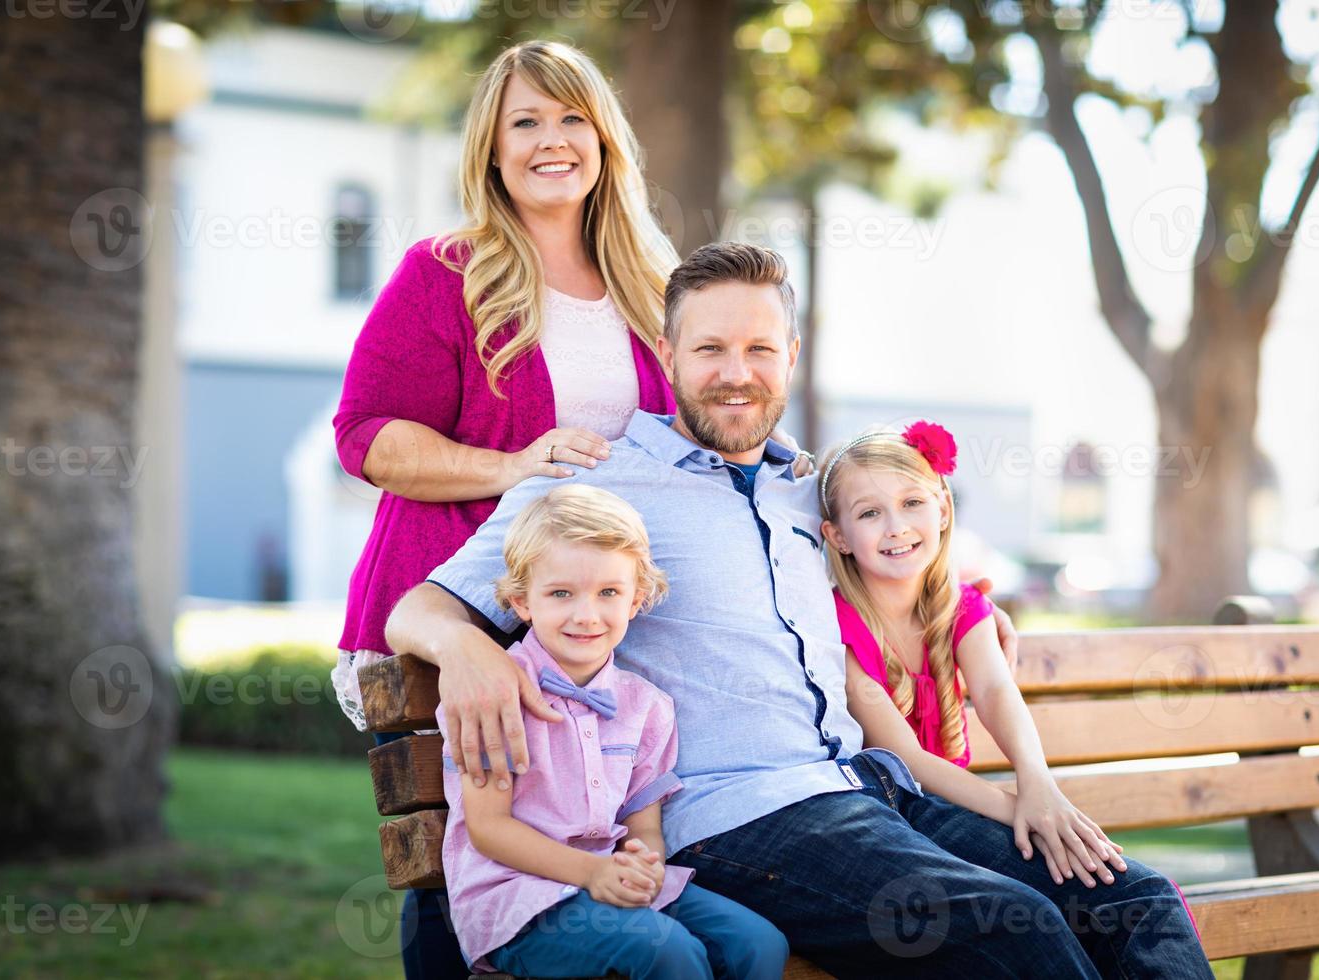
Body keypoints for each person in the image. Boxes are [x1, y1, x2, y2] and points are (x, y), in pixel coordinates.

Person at [386, 241, 1213, 978]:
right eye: (709, 349)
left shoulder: (806, 489)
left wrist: (966, 611)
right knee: (1013, 929)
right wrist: (466, 651)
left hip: (873, 786)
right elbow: (416, 611)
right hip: (736, 820)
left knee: (1131, 898)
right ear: (667, 352)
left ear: (791, 356)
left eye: (757, 349)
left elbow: (903, 548)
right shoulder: (592, 483)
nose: (734, 372)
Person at [331, 40, 678, 977]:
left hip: (584, 624)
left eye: (572, 119)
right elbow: (368, 435)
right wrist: (516, 464)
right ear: (491, 148)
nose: (551, 140)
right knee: (463, 869)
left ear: (606, 140)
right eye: (526, 121)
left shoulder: (651, 289)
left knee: (582, 858)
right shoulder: (447, 271)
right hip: (449, 613)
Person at [438, 483, 787, 978]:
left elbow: (642, 824)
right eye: (561, 593)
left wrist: (642, 862)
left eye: (608, 593)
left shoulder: (645, 706)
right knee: (667, 953)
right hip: (518, 899)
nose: (587, 615)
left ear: (636, 599)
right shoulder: (493, 695)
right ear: (521, 601)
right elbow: (489, 828)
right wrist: (594, 873)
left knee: (757, 944)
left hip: (608, 878)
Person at [819, 421, 1127, 886]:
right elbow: (907, 761)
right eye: (869, 514)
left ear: (942, 508)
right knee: (1061, 896)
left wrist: (1038, 783)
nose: (896, 527)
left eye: (912, 503)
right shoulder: (837, 629)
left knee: (1136, 894)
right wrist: (1024, 808)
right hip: (895, 825)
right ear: (837, 536)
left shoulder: (962, 609)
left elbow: (994, 689)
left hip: (964, 812)